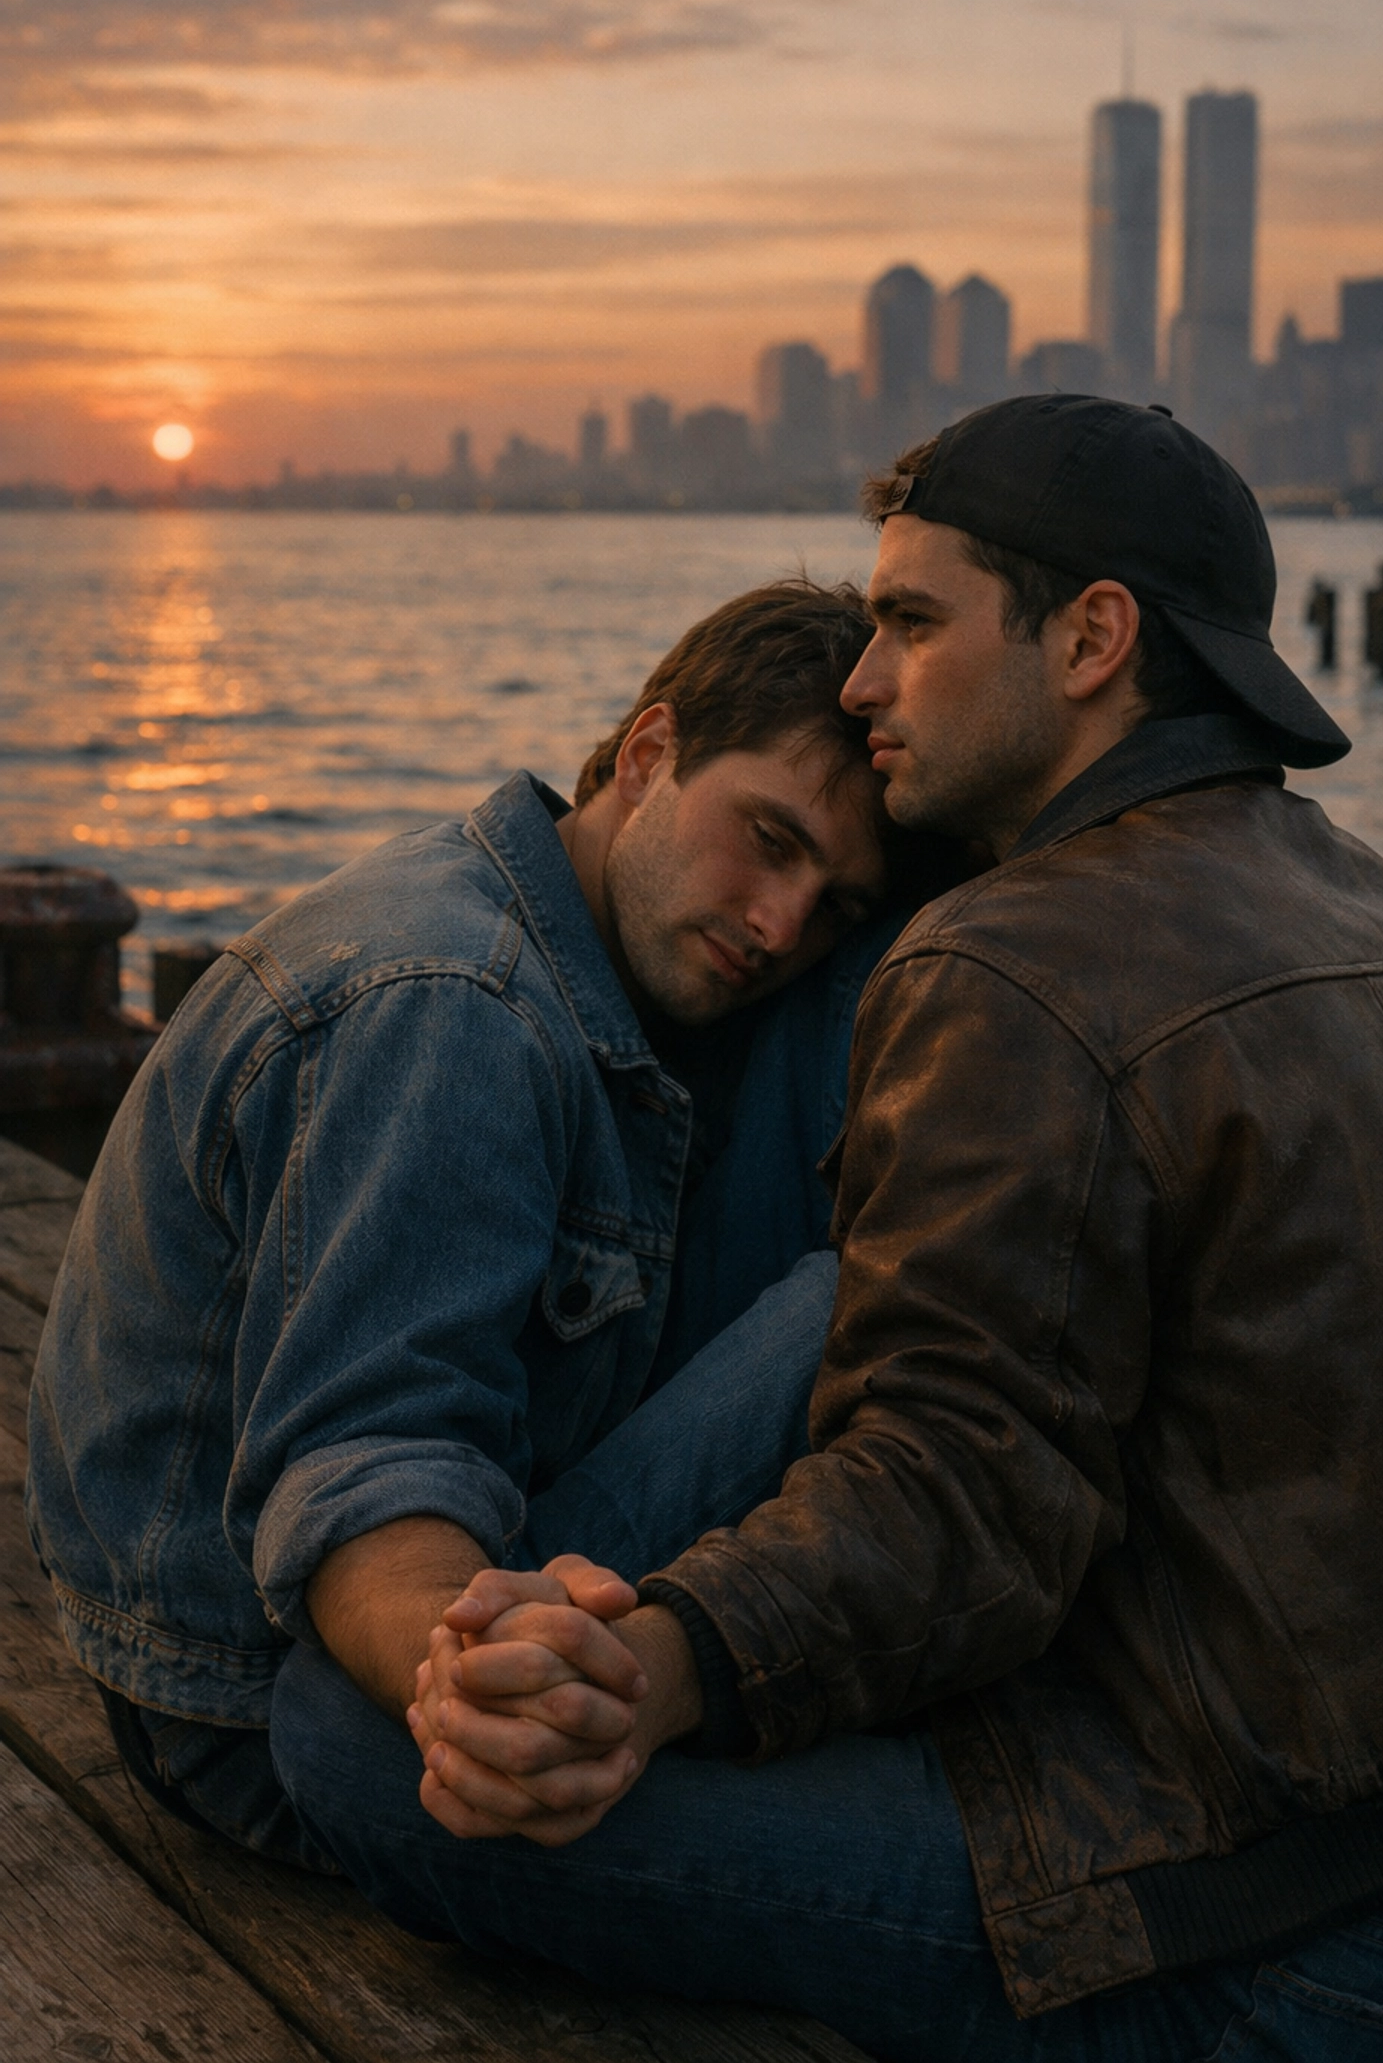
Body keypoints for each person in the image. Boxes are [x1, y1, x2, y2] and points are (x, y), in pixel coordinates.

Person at [274, 398, 1383, 2062]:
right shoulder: (1372, 901)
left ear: (1092, 639)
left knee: (346, 1738)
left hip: (1264, 1925)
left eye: (913, 624)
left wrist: (656, 1663)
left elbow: (964, 1502)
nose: (862, 681)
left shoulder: (1023, 962)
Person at [27, 577, 922, 1867]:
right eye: (769, 839)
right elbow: (371, 1453)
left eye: (828, 893)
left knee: (868, 1007)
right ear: (650, 750)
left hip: (318, 1611)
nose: (779, 923)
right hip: (254, 1705)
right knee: (878, 1288)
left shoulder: (547, 922)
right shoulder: (455, 1006)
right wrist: (464, 1676)